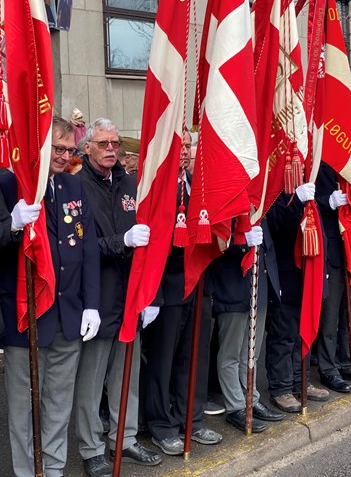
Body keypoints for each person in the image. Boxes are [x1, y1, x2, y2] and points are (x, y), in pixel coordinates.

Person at [0, 116, 101, 477]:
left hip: (68, 314)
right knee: (25, 406)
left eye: (70, 151)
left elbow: (87, 247)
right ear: (41, 147)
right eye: (58, 149)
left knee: (59, 401)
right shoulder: (10, 183)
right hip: (25, 315)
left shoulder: (73, 187)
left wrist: (91, 304)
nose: (64, 157)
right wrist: (11, 224)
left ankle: (54, 469)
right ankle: (29, 472)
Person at [74, 118, 161, 477]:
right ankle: (92, 448)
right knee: (92, 381)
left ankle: (123, 438)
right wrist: (119, 243)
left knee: (126, 373)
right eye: (103, 144)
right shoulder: (76, 186)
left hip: (130, 296)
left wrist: (149, 293)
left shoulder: (130, 184)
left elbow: (148, 237)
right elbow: (80, 248)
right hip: (97, 296)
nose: (111, 149)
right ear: (88, 148)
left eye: (115, 144)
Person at [143, 130, 222, 456]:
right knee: (163, 361)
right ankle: (162, 424)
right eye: (182, 146)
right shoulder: (158, 189)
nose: (186, 152)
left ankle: (192, 417)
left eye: (189, 146)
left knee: (195, 358)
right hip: (169, 286)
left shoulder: (197, 187)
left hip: (198, 284)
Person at [207, 218, 284, 433]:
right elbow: (216, 241)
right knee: (231, 353)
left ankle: (251, 397)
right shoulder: (229, 192)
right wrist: (240, 242)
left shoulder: (259, 197)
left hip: (258, 281)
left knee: (251, 352)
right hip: (233, 281)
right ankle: (236, 406)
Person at [266, 183, 330, 413]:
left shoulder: (308, 182)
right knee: (283, 332)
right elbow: (274, 222)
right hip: (284, 269)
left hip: (306, 268)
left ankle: (299, 380)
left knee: (303, 329)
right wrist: (295, 202)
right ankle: (281, 387)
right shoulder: (274, 186)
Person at [316, 162, 351, 393]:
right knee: (330, 316)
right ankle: (328, 368)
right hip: (330, 248)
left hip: (347, 245)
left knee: (346, 313)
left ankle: (346, 360)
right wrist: (328, 202)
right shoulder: (321, 163)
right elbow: (305, 204)